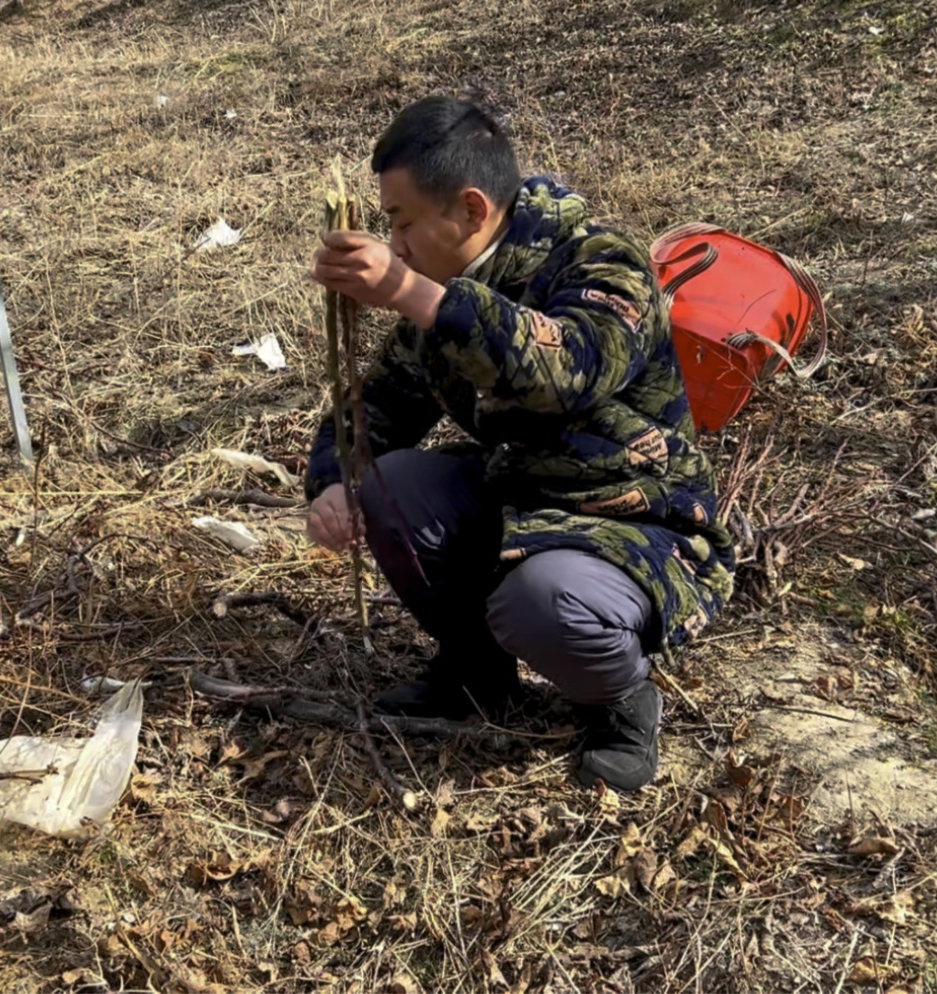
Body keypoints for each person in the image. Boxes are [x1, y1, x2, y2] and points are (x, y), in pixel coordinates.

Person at [305, 95, 735, 793]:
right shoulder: (446, 288)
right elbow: (379, 404)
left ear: (471, 209)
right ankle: (476, 670)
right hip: (519, 494)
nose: (397, 246)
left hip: (629, 519)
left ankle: (621, 702)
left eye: (402, 223)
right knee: (392, 483)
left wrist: (415, 293)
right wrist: (333, 481)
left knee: (540, 599)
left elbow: (565, 371)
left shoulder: (599, 262)